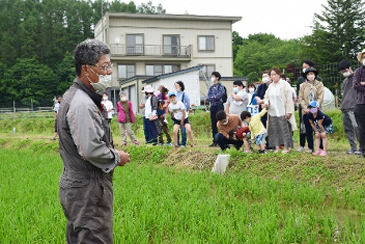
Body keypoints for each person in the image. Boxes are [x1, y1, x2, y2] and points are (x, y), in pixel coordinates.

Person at [57, 39, 130, 243]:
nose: (109, 72)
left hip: (78, 185)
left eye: (110, 66)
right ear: (86, 69)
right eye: (104, 66)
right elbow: (90, 150)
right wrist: (117, 157)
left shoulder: (76, 97)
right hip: (87, 188)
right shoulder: (82, 104)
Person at [263, 67, 297, 153]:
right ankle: (277, 147)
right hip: (272, 111)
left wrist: (289, 111)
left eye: (275, 74)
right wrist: (266, 103)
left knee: (284, 129)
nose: (273, 76)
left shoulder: (284, 84)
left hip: (282, 110)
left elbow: (289, 99)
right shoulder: (270, 86)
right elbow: (266, 97)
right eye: (271, 75)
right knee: (274, 130)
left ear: (279, 75)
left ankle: (286, 148)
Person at [296, 60, 322, 152]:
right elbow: (301, 97)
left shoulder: (319, 83)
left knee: (318, 127)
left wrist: (315, 108)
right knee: (307, 128)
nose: (310, 75)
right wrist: (306, 108)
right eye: (308, 74)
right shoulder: (302, 84)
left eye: (312, 73)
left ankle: (321, 147)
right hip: (306, 110)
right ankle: (310, 147)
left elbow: (320, 97)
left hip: (316, 110)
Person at [339, 59, 361, 154]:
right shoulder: (345, 81)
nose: (344, 73)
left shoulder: (358, 77)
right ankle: (353, 147)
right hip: (345, 107)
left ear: (350, 68)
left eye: (345, 71)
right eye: (342, 72)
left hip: (354, 107)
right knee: (347, 128)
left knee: (357, 127)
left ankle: (361, 147)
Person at [206, 71, 226, 147]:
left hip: (219, 105)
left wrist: (212, 97)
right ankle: (215, 140)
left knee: (220, 122)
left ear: (217, 77)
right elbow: (208, 98)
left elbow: (219, 96)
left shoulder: (221, 86)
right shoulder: (211, 87)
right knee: (213, 123)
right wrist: (212, 98)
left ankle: (222, 139)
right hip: (213, 106)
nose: (212, 78)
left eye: (213, 76)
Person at [353, 49, 365, 158]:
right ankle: (363, 149)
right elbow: (356, 85)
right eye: (364, 56)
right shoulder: (358, 71)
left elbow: (360, 85)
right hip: (361, 103)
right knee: (362, 127)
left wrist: (363, 84)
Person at [174, 81, 190, 147]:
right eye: (175, 86)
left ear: (181, 86)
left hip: (183, 114)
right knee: (176, 130)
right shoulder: (175, 95)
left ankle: (183, 143)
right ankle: (177, 143)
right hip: (176, 114)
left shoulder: (184, 95)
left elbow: (188, 104)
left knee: (183, 129)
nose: (175, 87)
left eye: (176, 86)